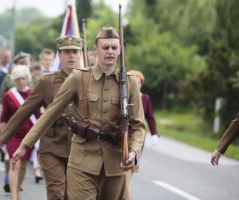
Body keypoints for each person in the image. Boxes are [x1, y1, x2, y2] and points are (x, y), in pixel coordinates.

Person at [12, 27, 146, 200]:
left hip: (114, 163)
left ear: (120, 49)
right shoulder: (79, 78)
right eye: (105, 47)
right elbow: (51, 112)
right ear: (96, 49)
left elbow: (138, 125)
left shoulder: (130, 83)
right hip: (82, 161)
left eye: (114, 47)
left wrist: (134, 152)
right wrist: (26, 144)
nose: (110, 52)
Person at [0, 35, 83, 200]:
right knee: (57, 194)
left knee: (73, 195)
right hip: (52, 147)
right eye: (67, 52)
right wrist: (3, 138)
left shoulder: (88, 80)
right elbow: (23, 111)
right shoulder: (47, 82)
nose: (71, 56)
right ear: (59, 55)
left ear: (80, 54)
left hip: (79, 148)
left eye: (75, 52)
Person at [1, 65, 40, 200]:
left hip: (29, 136)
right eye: (17, 79)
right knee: (15, 164)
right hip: (14, 136)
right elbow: (4, 118)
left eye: (22, 79)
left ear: (27, 79)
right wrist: (2, 138)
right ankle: (14, 197)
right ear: (14, 80)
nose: (20, 82)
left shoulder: (33, 93)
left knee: (23, 166)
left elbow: (39, 115)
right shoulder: (9, 95)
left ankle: (17, 190)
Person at [124, 70, 159, 200]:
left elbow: (150, 116)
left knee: (128, 174)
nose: (135, 84)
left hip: (137, 137)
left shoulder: (144, 98)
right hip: (124, 136)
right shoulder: (124, 98)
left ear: (141, 84)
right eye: (132, 81)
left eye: (138, 82)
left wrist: (154, 134)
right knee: (124, 179)